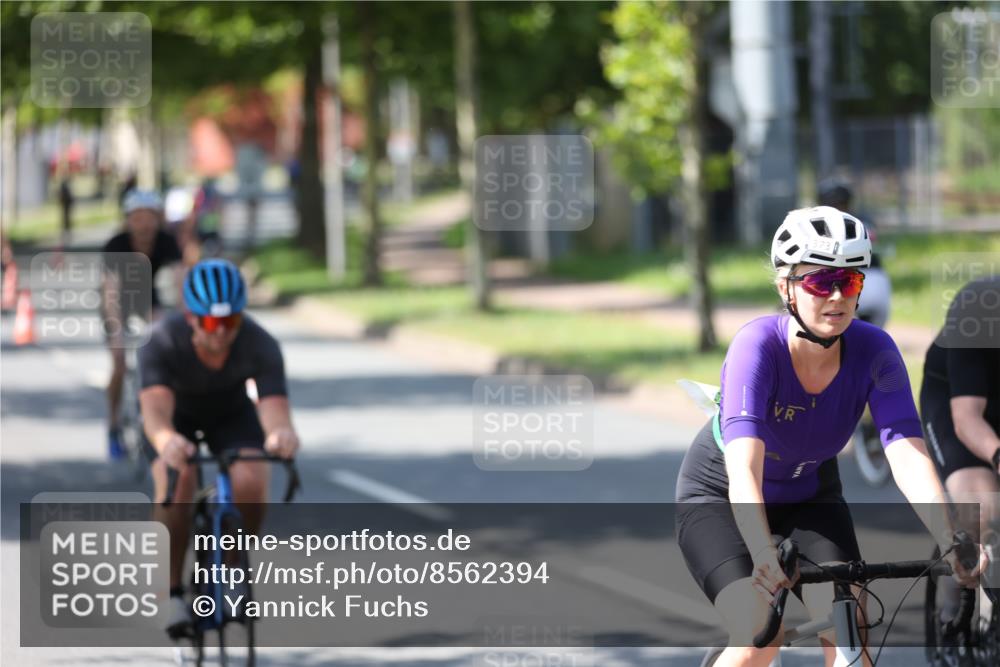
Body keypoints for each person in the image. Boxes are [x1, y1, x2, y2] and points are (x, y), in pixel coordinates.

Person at [675, 206, 985, 667]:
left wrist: (948, 536)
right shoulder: (756, 347)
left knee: (849, 639)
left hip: (811, 496)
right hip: (720, 497)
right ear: (786, 287)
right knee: (760, 635)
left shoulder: (875, 350)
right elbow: (743, 468)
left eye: (851, 282)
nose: (837, 297)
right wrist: (762, 553)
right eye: (821, 282)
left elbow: (906, 454)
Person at [139, 259, 300, 635]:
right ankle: (173, 593)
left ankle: (230, 571)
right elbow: (155, 412)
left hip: (230, 413)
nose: (222, 333)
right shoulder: (162, 342)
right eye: (212, 323)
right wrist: (166, 441)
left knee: (251, 475)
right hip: (175, 418)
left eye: (231, 322)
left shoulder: (260, 343)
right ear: (192, 318)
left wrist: (280, 435)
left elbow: (274, 409)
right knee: (177, 481)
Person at [921, 275, 1000, 629]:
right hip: (956, 402)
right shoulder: (979, 306)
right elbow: (967, 421)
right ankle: (953, 598)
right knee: (982, 505)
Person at [102, 190, 183, 459]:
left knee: (167, 344)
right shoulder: (116, 245)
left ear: (158, 219)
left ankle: (166, 417)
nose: (144, 225)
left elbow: (181, 281)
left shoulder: (167, 242)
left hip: (148, 298)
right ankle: (113, 424)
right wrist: (116, 331)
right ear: (128, 220)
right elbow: (110, 292)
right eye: (137, 218)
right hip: (117, 301)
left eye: (150, 218)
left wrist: (186, 319)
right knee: (120, 362)